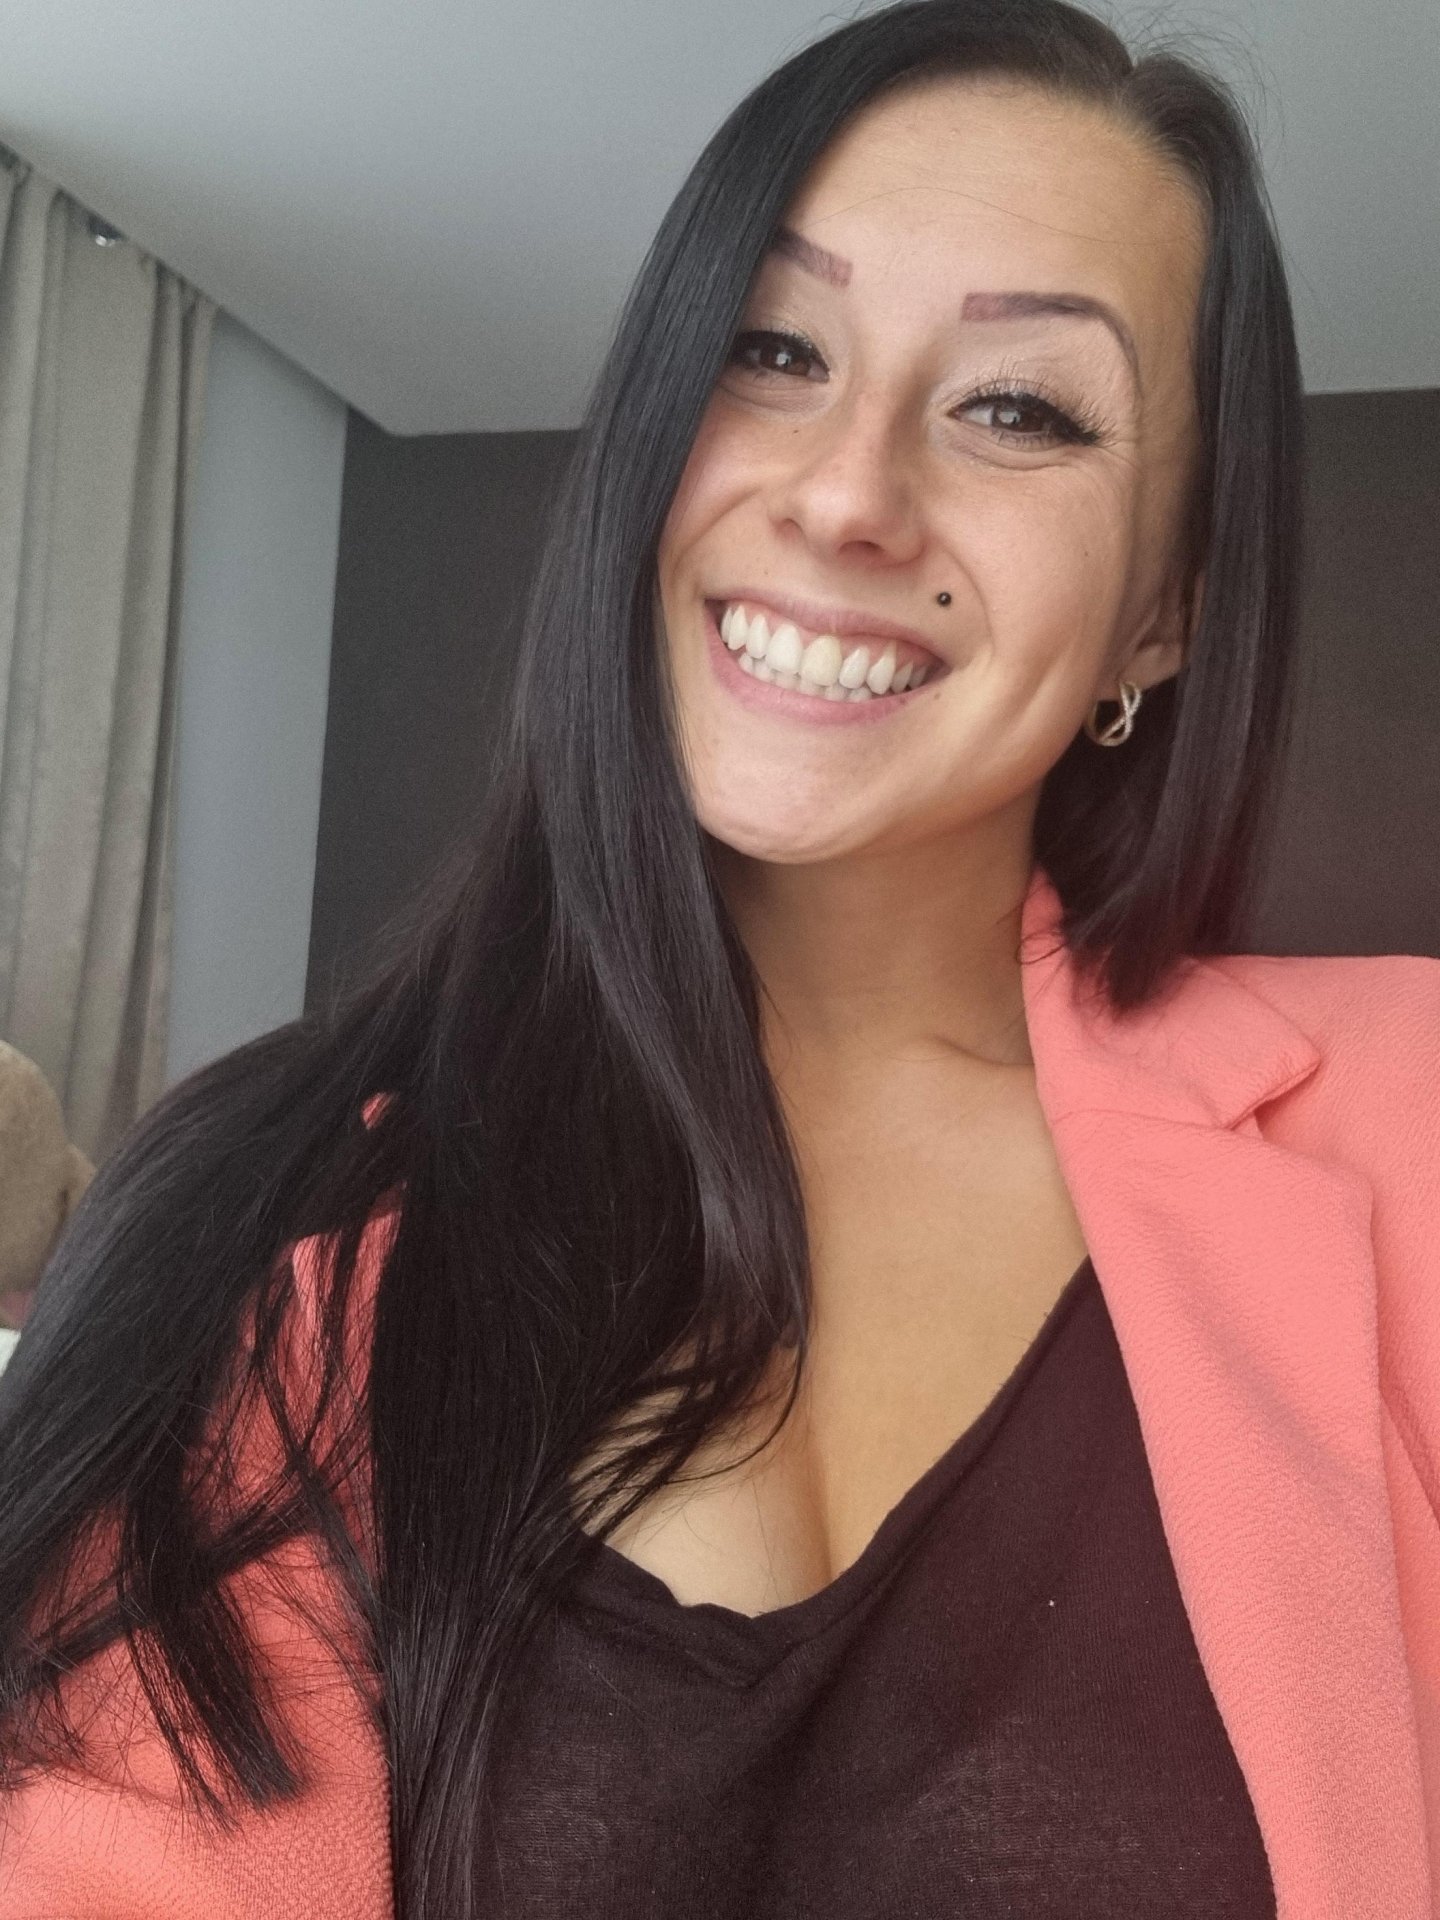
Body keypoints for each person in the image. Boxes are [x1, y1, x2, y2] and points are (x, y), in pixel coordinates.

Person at [0, 1, 1436, 1915]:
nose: (847, 494)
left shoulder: (1408, 1131)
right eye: (773, 349)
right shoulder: (256, 1208)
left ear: (1165, 609)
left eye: (1020, 409)